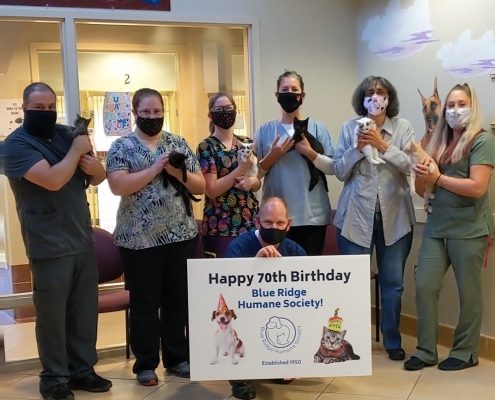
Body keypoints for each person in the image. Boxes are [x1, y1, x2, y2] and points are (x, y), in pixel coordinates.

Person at [3, 82, 111, 400]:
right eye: (39, 108)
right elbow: (52, 179)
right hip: (48, 244)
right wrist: (78, 152)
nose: (46, 113)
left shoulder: (66, 134)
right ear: (24, 109)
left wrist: (96, 168)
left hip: (81, 236)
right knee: (52, 315)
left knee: (83, 311)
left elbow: (98, 177)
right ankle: (54, 377)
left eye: (51, 107)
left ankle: (82, 370)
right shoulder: (14, 146)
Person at [106, 88, 205, 385]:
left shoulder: (177, 143)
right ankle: (146, 363)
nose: (152, 117)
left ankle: (177, 357)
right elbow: (118, 186)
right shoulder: (122, 146)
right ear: (135, 113)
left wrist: (177, 173)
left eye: (157, 112)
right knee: (145, 303)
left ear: (164, 111)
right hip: (139, 240)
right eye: (146, 112)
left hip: (181, 235)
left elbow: (199, 186)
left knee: (178, 300)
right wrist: (155, 168)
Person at [404, 83, 495, 371]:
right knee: (424, 285)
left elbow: (478, 187)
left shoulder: (482, 141)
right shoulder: (438, 143)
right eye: (451, 105)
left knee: (469, 293)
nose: (455, 110)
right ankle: (426, 349)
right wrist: (421, 176)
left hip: (469, 229)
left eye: (461, 104)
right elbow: (422, 191)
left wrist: (438, 178)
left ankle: (465, 352)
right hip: (436, 226)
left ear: (473, 106)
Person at [333, 76, 415, 361]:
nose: (375, 98)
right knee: (351, 283)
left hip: (396, 219)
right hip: (355, 218)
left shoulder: (403, 128)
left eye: (380, 93)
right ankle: (350, 342)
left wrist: (382, 144)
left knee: (393, 283)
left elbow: (410, 166)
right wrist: (357, 148)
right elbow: (340, 171)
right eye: (369, 93)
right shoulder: (348, 128)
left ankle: (392, 340)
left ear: (389, 98)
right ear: (362, 99)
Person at [225, 196, 306, 400]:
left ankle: (279, 364)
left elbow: (308, 293)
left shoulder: (296, 251)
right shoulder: (238, 248)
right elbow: (226, 292)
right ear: (257, 222)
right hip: (244, 313)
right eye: (268, 222)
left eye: (280, 223)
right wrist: (254, 266)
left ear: (289, 224)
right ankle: (239, 379)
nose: (274, 227)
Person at [255, 70, 335, 256]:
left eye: (294, 89)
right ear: (277, 95)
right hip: (276, 220)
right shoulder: (264, 131)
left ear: (302, 95)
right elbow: (254, 176)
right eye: (285, 89)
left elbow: (332, 168)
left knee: (309, 275)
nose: (289, 93)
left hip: (312, 217)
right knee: (277, 275)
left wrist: (309, 152)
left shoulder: (317, 128)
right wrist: (273, 155)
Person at [197, 92, 260, 257]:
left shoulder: (246, 142)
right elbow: (211, 190)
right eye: (219, 109)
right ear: (210, 115)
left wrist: (252, 182)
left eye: (228, 108)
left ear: (235, 111)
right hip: (220, 225)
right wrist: (240, 169)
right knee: (224, 278)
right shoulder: (206, 147)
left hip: (250, 222)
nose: (225, 112)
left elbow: (257, 180)